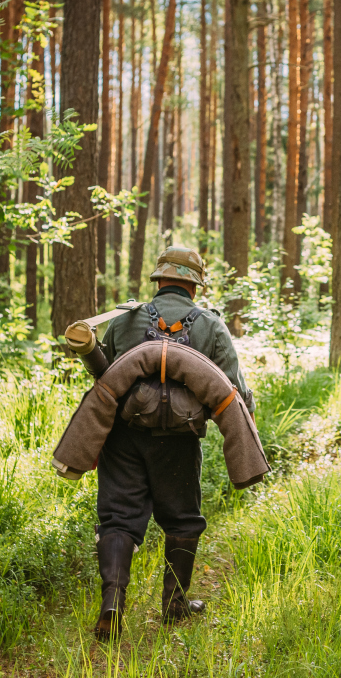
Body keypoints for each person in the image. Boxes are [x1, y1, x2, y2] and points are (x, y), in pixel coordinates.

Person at [91, 245, 254, 638]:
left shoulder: (125, 319)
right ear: (194, 286)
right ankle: (175, 604)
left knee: (118, 518)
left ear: (160, 279)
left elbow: (104, 379)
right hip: (179, 442)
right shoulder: (211, 326)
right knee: (181, 518)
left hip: (122, 438)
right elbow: (237, 392)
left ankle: (113, 602)